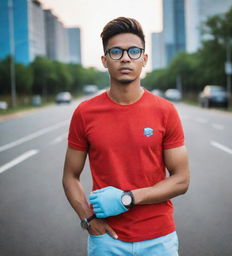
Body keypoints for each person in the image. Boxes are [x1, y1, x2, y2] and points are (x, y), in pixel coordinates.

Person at [62, 17, 190, 256]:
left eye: (133, 51)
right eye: (116, 52)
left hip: (159, 239)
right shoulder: (85, 113)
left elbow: (181, 180)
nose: (125, 58)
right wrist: (88, 219)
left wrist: (128, 198)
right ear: (104, 60)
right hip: (106, 240)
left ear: (144, 59)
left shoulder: (165, 111)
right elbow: (70, 176)